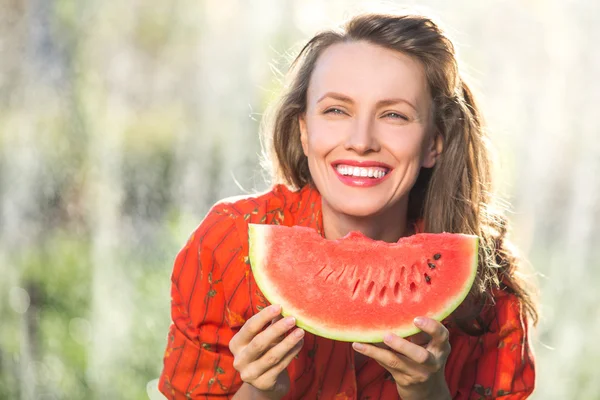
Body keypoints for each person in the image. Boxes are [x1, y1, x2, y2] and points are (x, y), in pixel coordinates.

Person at [158, 12, 537, 400]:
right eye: (336, 110)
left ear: (433, 143)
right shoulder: (228, 245)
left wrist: (429, 393)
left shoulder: (488, 285)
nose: (361, 140)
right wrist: (259, 392)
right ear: (304, 131)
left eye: (394, 115)